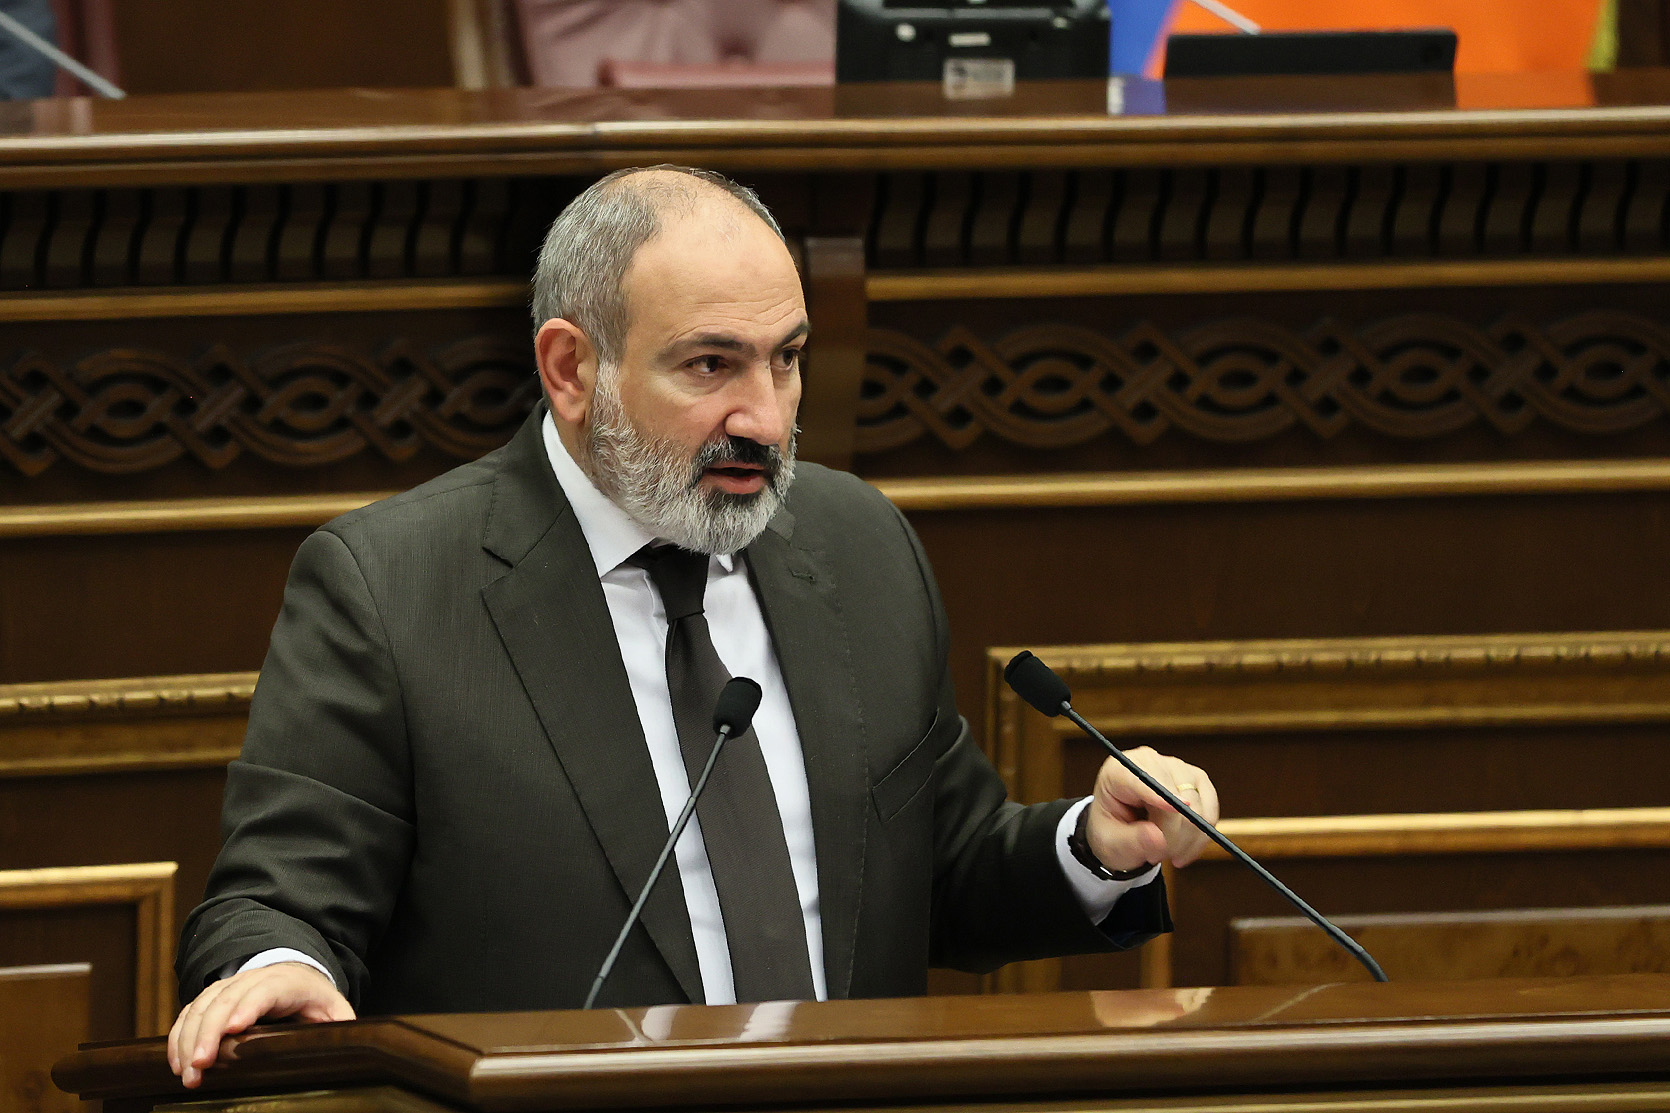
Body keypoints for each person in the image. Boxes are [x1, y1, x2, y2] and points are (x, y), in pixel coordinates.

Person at [167, 166, 1220, 1089]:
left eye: (786, 359)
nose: (764, 417)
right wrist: (279, 968)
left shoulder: (857, 545)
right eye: (711, 366)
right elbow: (278, 897)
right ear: (571, 369)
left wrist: (1092, 847)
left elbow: (939, 873)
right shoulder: (394, 587)